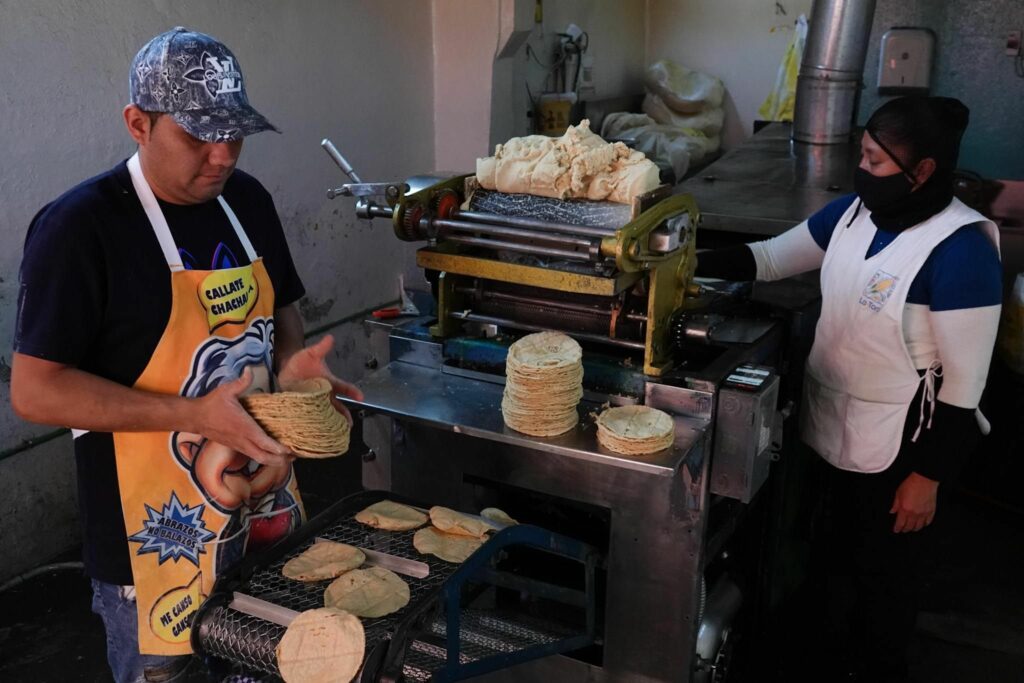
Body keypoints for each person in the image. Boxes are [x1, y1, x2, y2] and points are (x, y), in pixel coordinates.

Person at [10, 27, 362, 682]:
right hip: (154, 548)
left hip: (265, 513)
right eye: (198, 135)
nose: (223, 154)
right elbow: (35, 390)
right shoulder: (81, 228)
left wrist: (293, 373)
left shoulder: (247, 201)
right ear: (138, 123)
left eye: (235, 132)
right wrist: (196, 415)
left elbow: (280, 308)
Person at [696, 96, 1001, 681]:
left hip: (904, 449)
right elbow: (767, 258)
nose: (861, 170)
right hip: (830, 422)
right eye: (860, 154)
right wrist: (677, 261)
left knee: (885, 585)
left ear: (924, 172)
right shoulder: (853, 215)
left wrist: (926, 479)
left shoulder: (960, 250)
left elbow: (966, 387)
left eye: (875, 161)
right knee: (828, 565)